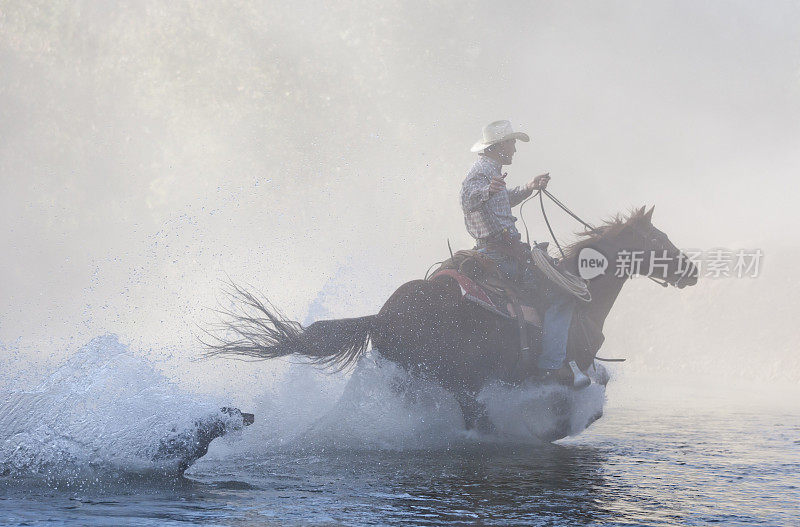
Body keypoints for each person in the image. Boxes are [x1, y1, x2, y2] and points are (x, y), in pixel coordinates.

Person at [460, 120, 575, 381]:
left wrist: (528, 187)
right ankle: (552, 364)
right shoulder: (481, 172)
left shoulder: (492, 170)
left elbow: (501, 200)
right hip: (502, 257)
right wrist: (486, 191)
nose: (514, 149)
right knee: (563, 294)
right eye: (512, 143)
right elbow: (468, 198)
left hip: (501, 252)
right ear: (500, 145)